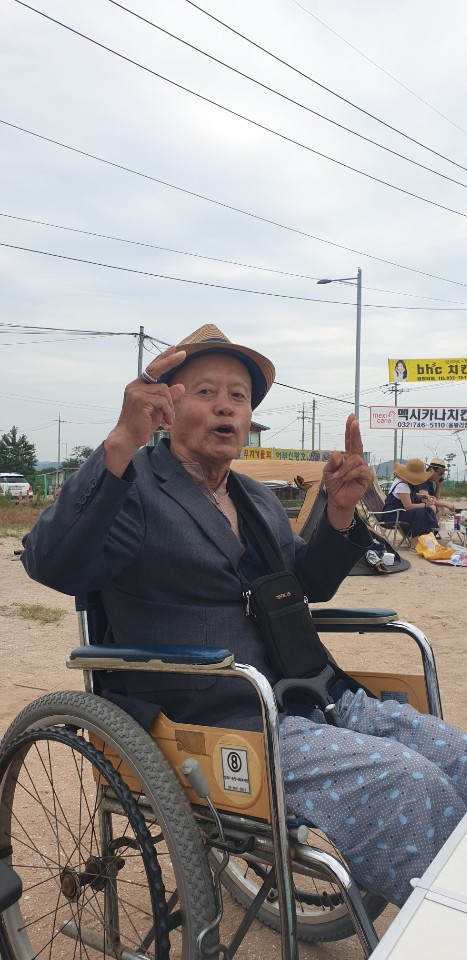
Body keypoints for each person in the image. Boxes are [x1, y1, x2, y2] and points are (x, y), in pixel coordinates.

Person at [22, 324, 467, 909]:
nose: (226, 405)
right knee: (410, 784)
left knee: (457, 757)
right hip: (213, 711)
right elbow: (50, 562)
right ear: (165, 406)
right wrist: (121, 441)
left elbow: (303, 586)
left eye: (239, 395)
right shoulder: (132, 490)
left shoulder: (254, 498)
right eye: (205, 391)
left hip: (306, 691)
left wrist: (338, 514)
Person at [382, 459, 440, 547]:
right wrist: (425, 504)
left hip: (400, 513)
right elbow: (408, 506)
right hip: (392, 515)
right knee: (419, 512)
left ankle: (428, 536)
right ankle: (415, 540)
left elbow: (409, 495)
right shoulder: (402, 485)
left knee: (428, 510)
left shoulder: (403, 482)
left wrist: (424, 496)